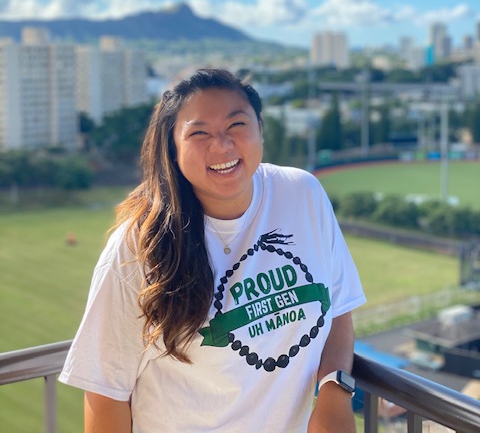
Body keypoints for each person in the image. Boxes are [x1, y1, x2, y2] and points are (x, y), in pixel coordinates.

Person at [59, 68, 366, 433]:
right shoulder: (138, 247)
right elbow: (106, 393)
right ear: (173, 148)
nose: (221, 145)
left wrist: (334, 395)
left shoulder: (303, 195)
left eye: (237, 125)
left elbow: (338, 309)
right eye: (199, 132)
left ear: (260, 128)